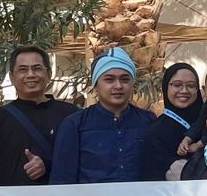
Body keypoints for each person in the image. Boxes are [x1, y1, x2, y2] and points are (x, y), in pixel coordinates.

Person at [0, 46, 78, 196]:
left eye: (37, 68)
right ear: (11, 77)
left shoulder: (72, 116)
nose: (30, 75)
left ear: (49, 74)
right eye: (23, 70)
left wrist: (47, 165)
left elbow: (84, 163)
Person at [50, 49, 152, 184]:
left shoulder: (148, 121)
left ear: (132, 83)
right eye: (109, 80)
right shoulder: (75, 124)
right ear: (96, 84)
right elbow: (62, 179)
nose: (118, 86)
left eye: (125, 79)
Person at [141, 62, 202, 180]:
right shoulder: (156, 131)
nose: (184, 90)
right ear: (166, 87)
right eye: (177, 85)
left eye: (191, 85)